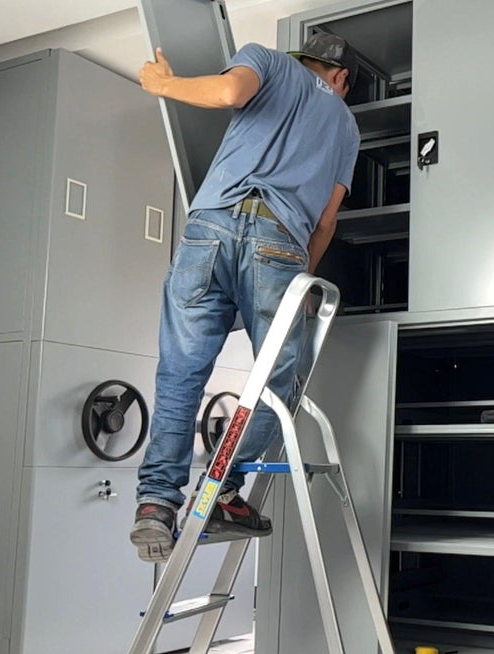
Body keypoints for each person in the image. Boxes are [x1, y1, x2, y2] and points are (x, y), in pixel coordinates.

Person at [129, 34, 360, 563]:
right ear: (341, 78)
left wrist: (163, 83)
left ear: (305, 60)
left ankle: (155, 502)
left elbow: (235, 91)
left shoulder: (268, 60)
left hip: (207, 232)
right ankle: (219, 490)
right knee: (277, 380)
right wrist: (301, 280)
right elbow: (325, 221)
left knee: (182, 371)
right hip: (279, 243)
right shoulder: (346, 125)